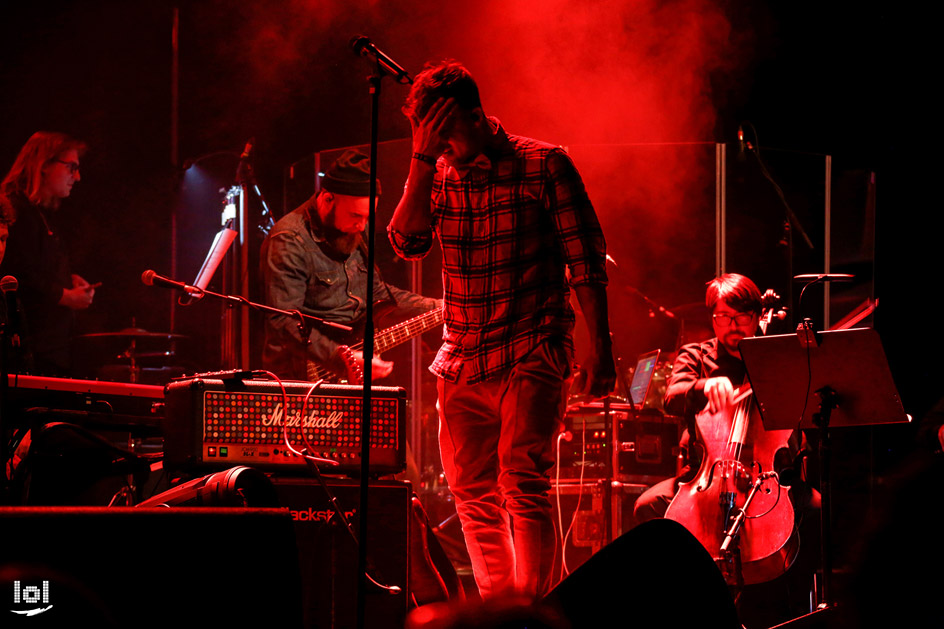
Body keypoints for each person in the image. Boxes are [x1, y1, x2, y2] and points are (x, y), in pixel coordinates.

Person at [388, 60, 616, 599]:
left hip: (532, 342)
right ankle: (502, 611)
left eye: (444, 131)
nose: (439, 145)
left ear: (475, 114)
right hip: (462, 351)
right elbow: (406, 242)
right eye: (428, 136)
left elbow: (586, 264)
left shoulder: (544, 164)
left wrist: (600, 348)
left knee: (523, 481)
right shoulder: (436, 170)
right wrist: (421, 160)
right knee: (471, 491)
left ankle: (531, 613)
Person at [260, 149, 439, 382]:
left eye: (367, 217)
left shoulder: (355, 228)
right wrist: (341, 357)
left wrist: (438, 307)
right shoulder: (288, 240)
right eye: (356, 216)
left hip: (346, 368)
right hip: (299, 375)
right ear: (327, 199)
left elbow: (377, 294)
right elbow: (283, 323)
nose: (362, 225)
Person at [0, 131, 97, 376]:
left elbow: (34, 268)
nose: (77, 177)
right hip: (26, 354)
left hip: (47, 350)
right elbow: (16, 273)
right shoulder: (13, 208)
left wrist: (67, 281)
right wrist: (66, 295)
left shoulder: (41, 212)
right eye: (71, 167)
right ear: (43, 164)